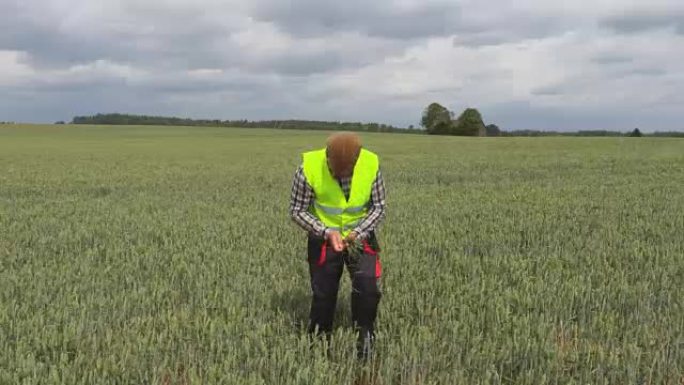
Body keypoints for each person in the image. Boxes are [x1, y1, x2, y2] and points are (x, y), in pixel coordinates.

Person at [289, 132, 386, 360]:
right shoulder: (308, 169)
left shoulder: (370, 164)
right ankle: (318, 344)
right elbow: (297, 210)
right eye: (334, 169)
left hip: (360, 238)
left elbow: (379, 207)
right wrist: (327, 231)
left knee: (368, 290)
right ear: (327, 156)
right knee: (323, 294)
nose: (338, 174)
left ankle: (365, 340)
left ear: (356, 160)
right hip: (323, 239)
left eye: (345, 171)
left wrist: (358, 232)